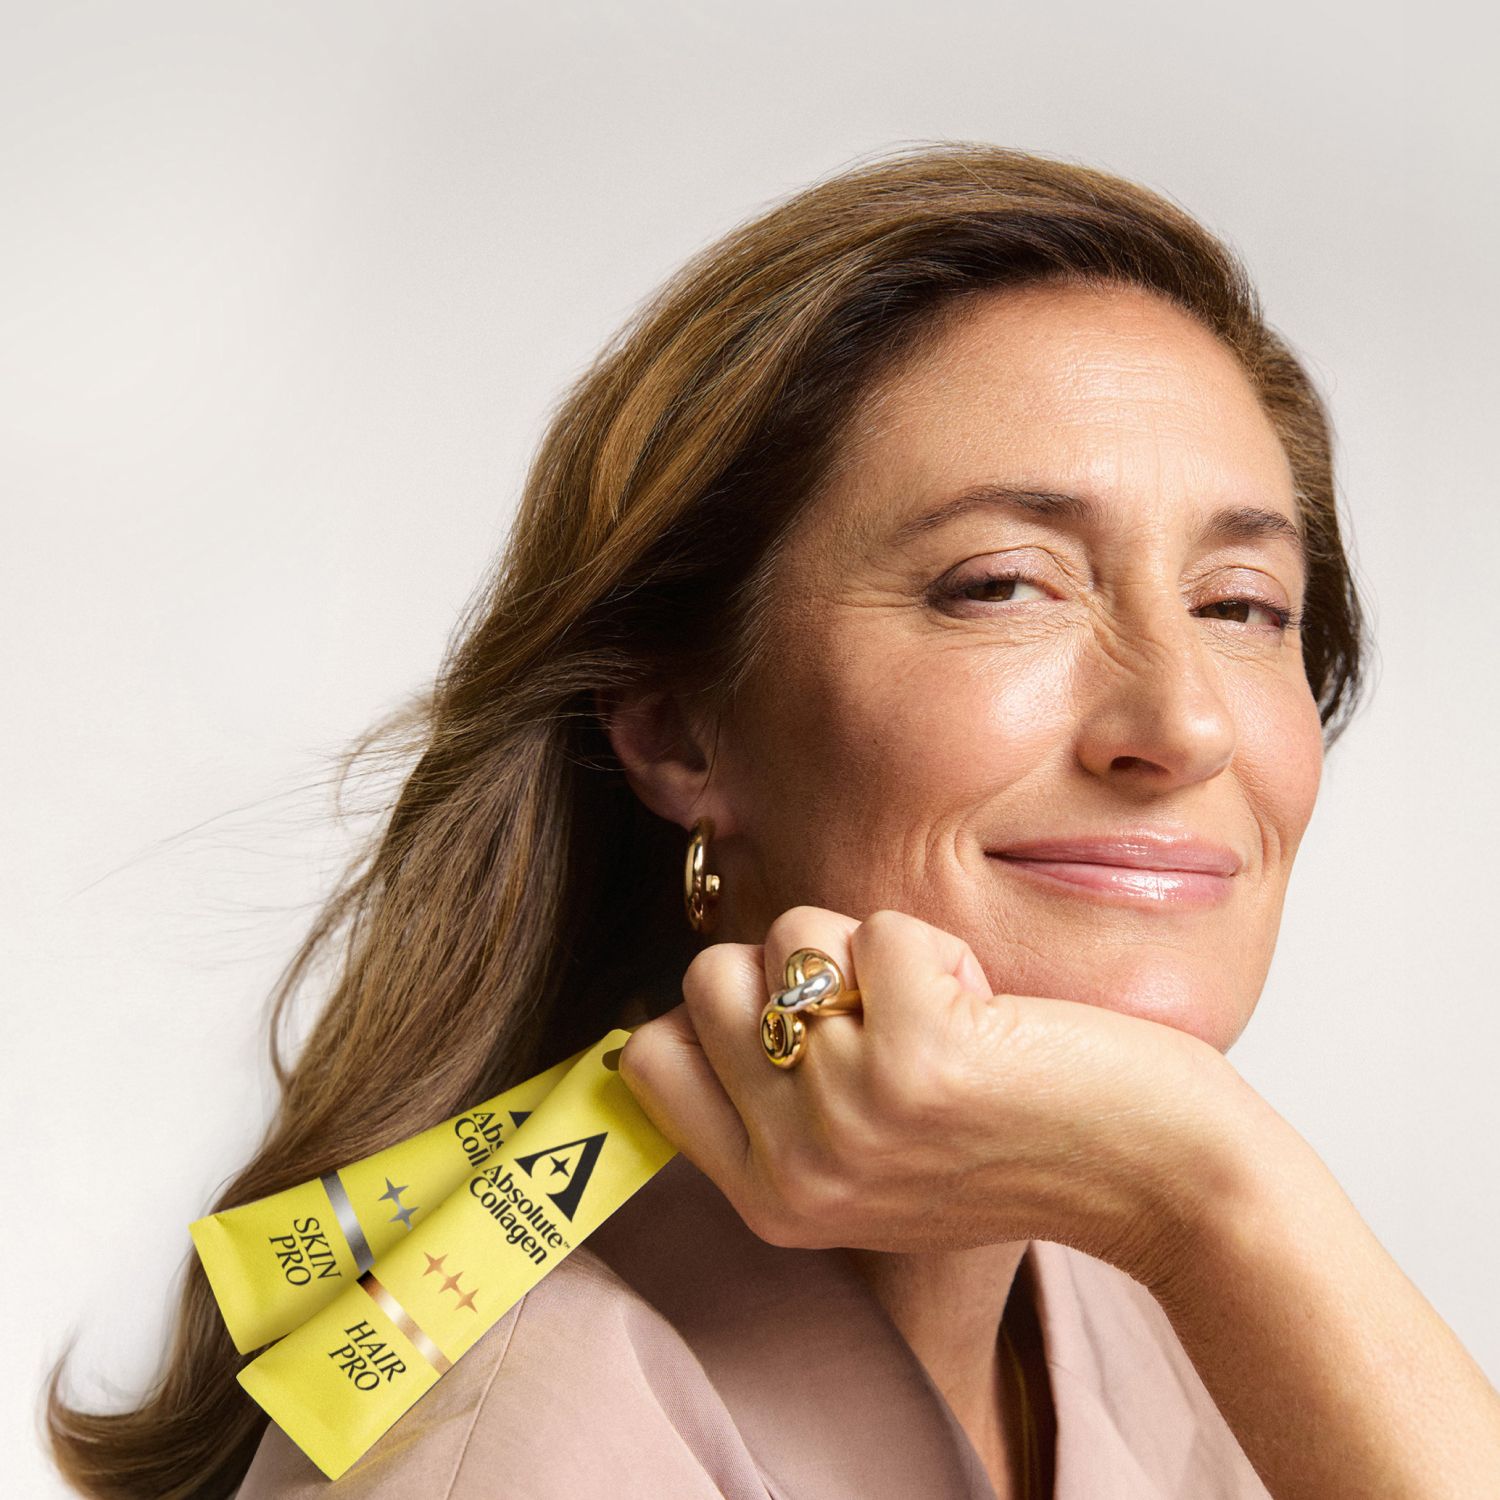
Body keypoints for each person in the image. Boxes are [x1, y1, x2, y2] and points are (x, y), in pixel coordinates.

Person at [48, 145, 1500, 1500]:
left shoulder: (1155, 1296)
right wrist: (1214, 1188)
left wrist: (1208, 1194)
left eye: (1242, 607)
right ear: (679, 730)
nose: (1183, 725)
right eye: (1003, 585)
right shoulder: (519, 1432)